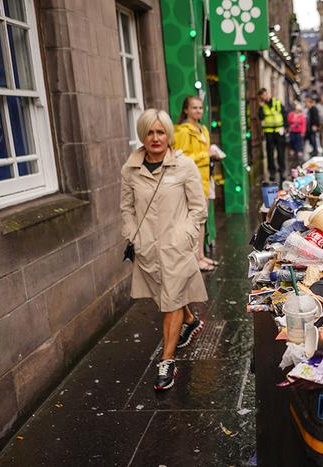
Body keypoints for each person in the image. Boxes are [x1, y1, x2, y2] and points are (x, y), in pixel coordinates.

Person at [120, 109, 208, 391]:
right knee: (166, 294)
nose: (155, 138)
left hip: (177, 246)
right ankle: (191, 321)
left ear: (168, 135)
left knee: (169, 301)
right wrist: (134, 235)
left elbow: (198, 208)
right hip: (147, 247)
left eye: (160, 132)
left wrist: (185, 236)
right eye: (149, 132)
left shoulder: (184, 166)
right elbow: (127, 208)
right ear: (142, 135)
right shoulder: (130, 169)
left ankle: (167, 360)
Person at [174, 96, 221, 272]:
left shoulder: (203, 129)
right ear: (186, 110)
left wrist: (212, 154)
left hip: (205, 178)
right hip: (192, 181)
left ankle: (200, 255)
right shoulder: (183, 131)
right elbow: (181, 158)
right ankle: (195, 259)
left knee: (202, 219)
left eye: (200, 108)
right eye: (194, 108)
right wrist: (206, 155)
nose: (198, 111)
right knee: (196, 220)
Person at [258, 88, 288, 182]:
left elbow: (284, 114)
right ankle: (272, 172)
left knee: (281, 152)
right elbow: (261, 117)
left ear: (268, 94)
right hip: (269, 132)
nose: (264, 96)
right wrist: (261, 107)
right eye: (262, 96)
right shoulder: (262, 106)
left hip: (279, 131)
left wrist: (285, 127)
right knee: (270, 153)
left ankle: (282, 170)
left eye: (265, 94)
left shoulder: (277, 102)